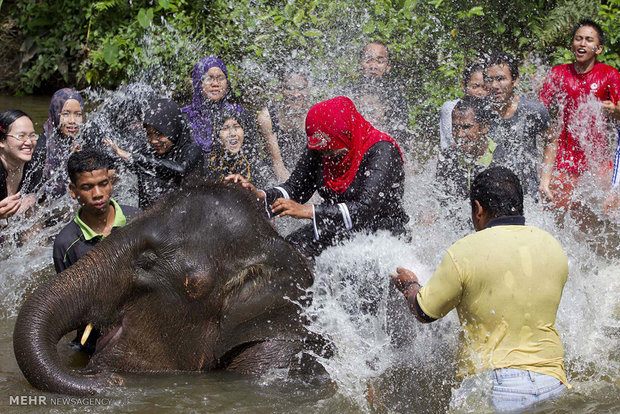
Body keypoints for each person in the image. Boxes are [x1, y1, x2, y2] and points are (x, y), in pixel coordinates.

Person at [391, 167, 569, 412]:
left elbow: (424, 311)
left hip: (496, 387)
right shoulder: (553, 246)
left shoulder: (465, 251)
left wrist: (410, 284)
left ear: (478, 209)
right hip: (553, 383)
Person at [227, 96, 409, 258]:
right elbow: (295, 188)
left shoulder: (383, 151)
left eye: (332, 151)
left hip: (380, 233)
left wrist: (308, 211)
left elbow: (365, 209)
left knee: (351, 271)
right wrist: (260, 197)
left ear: (347, 135)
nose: (326, 157)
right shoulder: (320, 145)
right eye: (322, 151)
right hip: (336, 228)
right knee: (285, 256)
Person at [52, 149, 139, 352]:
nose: (98, 194)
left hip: (142, 326)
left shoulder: (137, 221)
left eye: (103, 184)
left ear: (111, 181)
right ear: (73, 191)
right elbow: (72, 303)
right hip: (95, 340)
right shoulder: (66, 244)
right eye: (87, 187)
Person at [539, 19, 620, 212]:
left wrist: (614, 110)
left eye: (588, 40)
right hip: (565, 160)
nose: (582, 43)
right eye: (578, 39)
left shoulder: (609, 75)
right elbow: (540, 109)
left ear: (598, 49)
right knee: (557, 213)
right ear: (572, 44)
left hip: (598, 162)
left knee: (602, 215)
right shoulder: (558, 73)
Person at [105, 98, 202, 209]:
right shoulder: (147, 151)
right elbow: (120, 167)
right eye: (149, 134)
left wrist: (133, 157)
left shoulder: (193, 149)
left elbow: (180, 170)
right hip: (150, 218)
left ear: (173, 130)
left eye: (159, 134)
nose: (153, 141)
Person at [484, 52, 551, 198]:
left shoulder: (533, 110)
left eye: (501, 79)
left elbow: (551, 141)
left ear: (514, 81)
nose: (494, 85)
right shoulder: (481, 111)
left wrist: (545, 182)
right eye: (489, 80)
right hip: (491, 191)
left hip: (527, 192)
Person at [435, 96, 495, 208]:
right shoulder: (447, 159)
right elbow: (439, 204)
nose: (460, 134)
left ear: (484, 127)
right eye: (455, 127)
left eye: (466, 127)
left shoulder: (501, 158)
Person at [352, 41, 410, 153]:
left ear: (388, 66)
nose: (373, 66)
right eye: (368, 60)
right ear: (360, 63)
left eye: (380, 61)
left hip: (382, 152)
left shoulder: (396, 99)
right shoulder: (349, 93)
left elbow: (402, 140)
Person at [257, 68, 312, 181]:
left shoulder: (316, 114)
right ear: (280, 89)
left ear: (309, 90)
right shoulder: (267, 117)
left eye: (301, 88)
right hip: (274, 170)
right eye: (289, 88)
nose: (295, 94)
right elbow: (278, 165)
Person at [182, 56, 243, 154]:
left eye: (220, 78)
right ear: (198, 82)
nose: (215, 83)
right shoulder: (184, 118)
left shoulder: (239, 114)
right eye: (208, 79)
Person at [206, 107, 269, 188]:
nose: (232, 133)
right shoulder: (210, 164)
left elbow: (269, 194)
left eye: (236, 127)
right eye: (225, 128)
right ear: (217, 135)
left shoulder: (255, 165)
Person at [0, 110, 46, 222]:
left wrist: (33, 199)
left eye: (32, 135)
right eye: (21, 136)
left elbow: (39, 217)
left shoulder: (33, 168)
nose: (29, 142)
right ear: (1, 141)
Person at [42, 88, 85, 199]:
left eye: (78, 114)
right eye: (65, 114)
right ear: (55, 114)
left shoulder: (80, 145)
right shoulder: (41, 147)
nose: (72, 121)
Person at [439, 62, 487, 149]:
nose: (480, 92)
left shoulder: (490, 109)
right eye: (475, 87)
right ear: (463, 86)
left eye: (485, 88)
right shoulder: (452, 109)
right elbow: (449, 144)